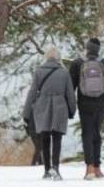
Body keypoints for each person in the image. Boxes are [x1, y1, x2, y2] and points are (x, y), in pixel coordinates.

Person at [22, 46, 76, 180]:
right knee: (57, 138)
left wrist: (26, 113)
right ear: (58, 58)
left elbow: (32, 93)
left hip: (42, 107)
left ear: (46, 57)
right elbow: (70, 94)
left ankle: (46, 170)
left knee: (45, 138)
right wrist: (72, 110)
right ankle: (56, 169)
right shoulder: (64, 72)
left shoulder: (39, 72)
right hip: (60, 107)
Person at [70, 38, 104, 180]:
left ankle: (89, 168)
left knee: (87, 134)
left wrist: (71, 108)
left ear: (87, 48)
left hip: (84, 104)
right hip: (101, 105)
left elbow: (70, 88)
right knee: (97, 134)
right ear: (98, 49)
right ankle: (97, 168)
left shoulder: (78, 63)